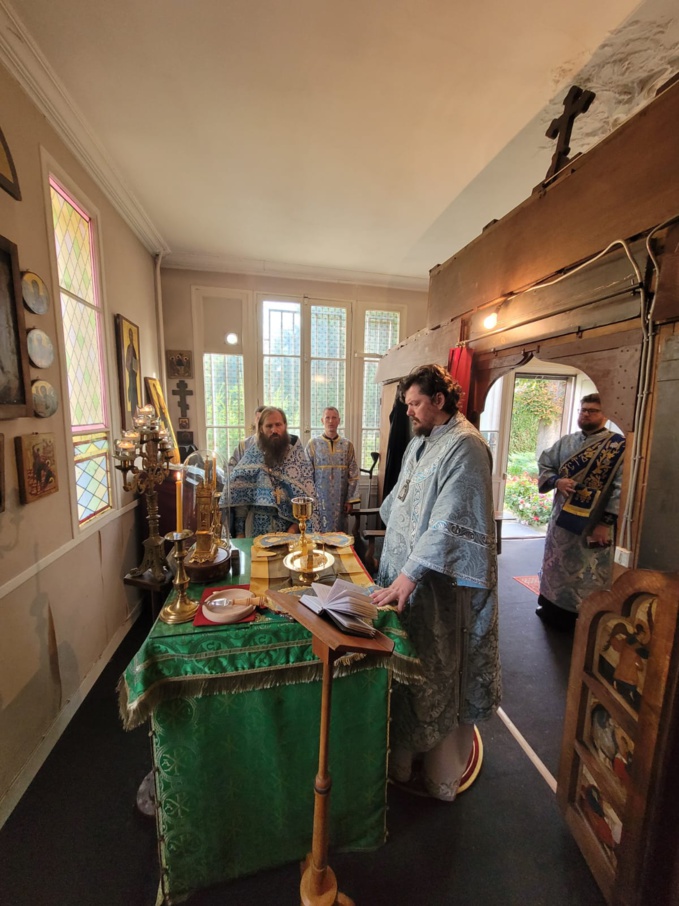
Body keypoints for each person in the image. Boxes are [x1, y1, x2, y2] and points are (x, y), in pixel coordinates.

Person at [371, 364, 501, 801]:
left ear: (439, 400)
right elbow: (399, 501)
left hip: (439, 589)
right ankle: (403, 757)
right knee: (408, 667)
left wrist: (409, 574)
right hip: (405, 582)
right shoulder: (421, 440)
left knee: (438, 671)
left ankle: (441, 771)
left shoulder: (466, 446)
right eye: (407, 404)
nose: (408, 412)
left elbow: (449, 523)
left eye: (415, 403)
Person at [536, 393, 625, 631]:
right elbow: (545, 463)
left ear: (605, 415)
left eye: (592, 411)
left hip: (592, 522)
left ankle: (583, 618)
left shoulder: (619, 447)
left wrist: (605, 524)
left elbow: (621, 489)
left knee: (586, 573)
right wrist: (557, 481)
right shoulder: (566, 442)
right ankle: (550, 607)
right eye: (583, 410)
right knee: (555, 566)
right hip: (561, 519)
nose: (585, 414)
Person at [223, 406, 318, 537]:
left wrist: (293, 530)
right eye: (269, 426)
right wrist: (240, 532)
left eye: (278, 425)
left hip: (290, 531)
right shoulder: (252, 457)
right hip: (256, 531)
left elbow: (307, 499)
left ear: (285, 426)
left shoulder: (297, 458)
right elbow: (241, 497)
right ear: (261, 428)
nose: (274, 430)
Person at [306, 407, 360, 532]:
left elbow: (353, 474)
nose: (331, 421)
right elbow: (306, 474)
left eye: (334, 418)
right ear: (322, 420)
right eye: (327, 418)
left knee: (339, 534)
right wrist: (310, 498)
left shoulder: (347, 445)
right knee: (318, 534)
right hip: (319, 501)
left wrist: (350, 500)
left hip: (340, 500)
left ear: (339, 421)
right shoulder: (313, 444)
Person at [228, 406, 266, 471]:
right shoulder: (243, 445)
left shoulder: (274, 444)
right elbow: (232, 467)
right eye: (258, 419)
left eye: (263, 420)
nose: (260, 423)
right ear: (255, 421)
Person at [125, 327, 140, 415]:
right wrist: (130, 367)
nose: (131, 337)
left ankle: (135, 407)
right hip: (131, 371)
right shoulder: (129, 347)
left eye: (132, 335)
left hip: (134, 371)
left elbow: (136, 360)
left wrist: (135, 368)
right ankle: (132, 405)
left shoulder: (133, 347)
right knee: (131, 387)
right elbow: (127, 359)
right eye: (129, 335)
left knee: (135, 389)